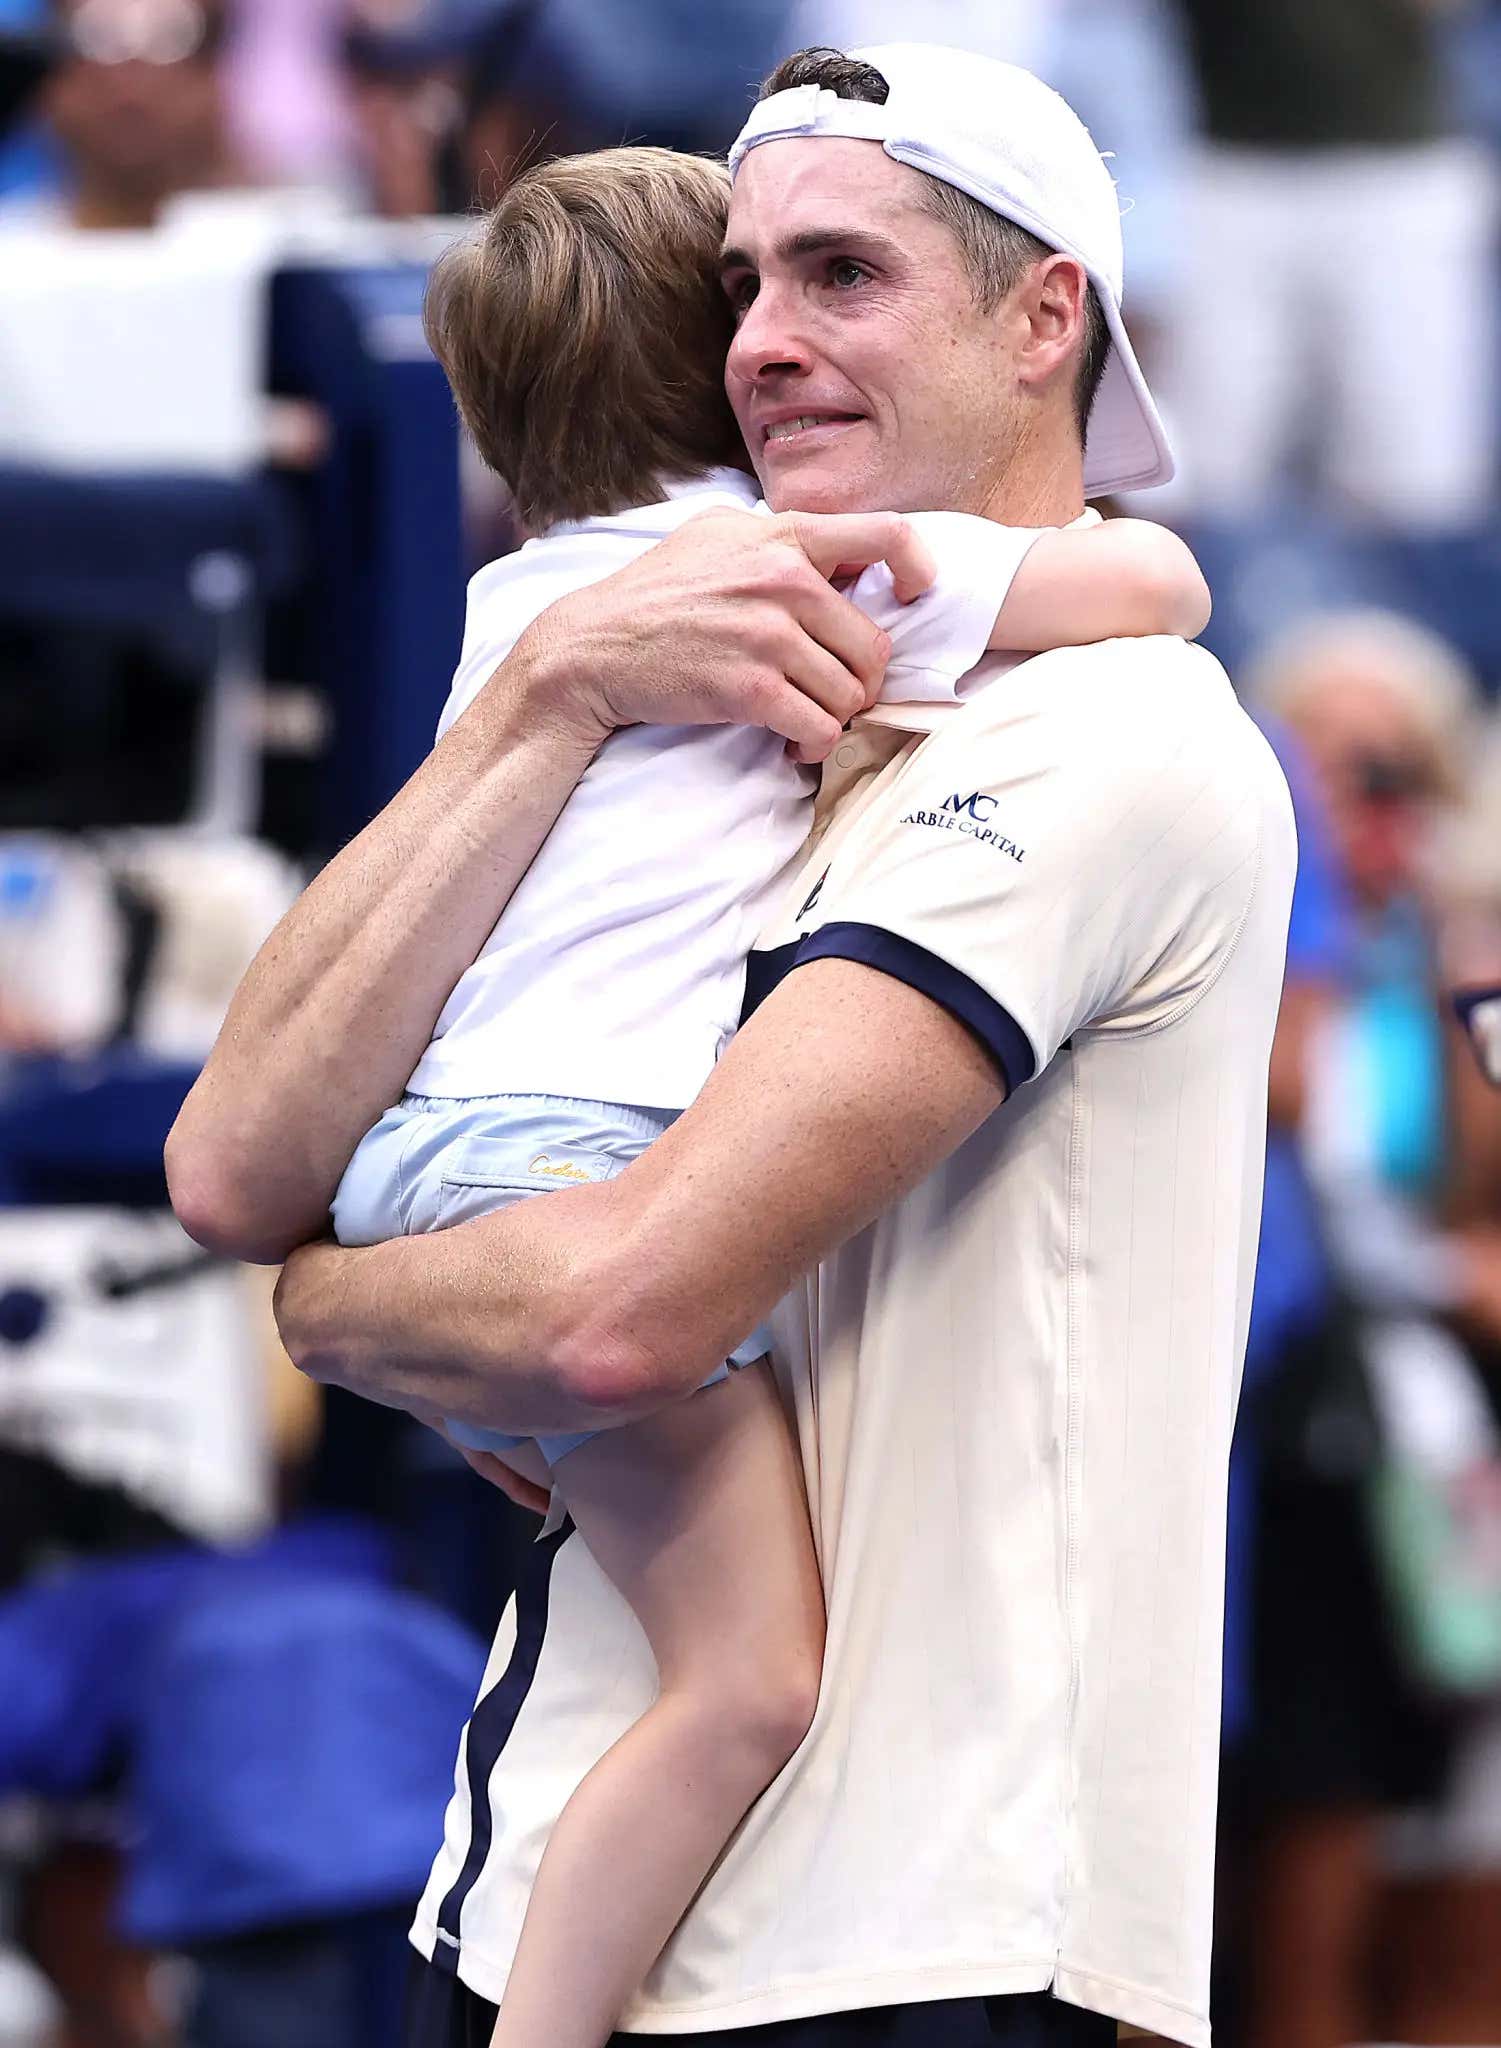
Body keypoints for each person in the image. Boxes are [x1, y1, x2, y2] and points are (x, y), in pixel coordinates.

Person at [168, 41, 1296, 2048]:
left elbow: (604, 1312)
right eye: (741, 289)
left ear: (1050, 319)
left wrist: (334, 1304)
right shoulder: (627, 666)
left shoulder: (1102, 729)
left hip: (890, 1943)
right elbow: (222, 1160)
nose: (761, 345)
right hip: (567, 1896)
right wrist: (550, 697)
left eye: (841, 277)